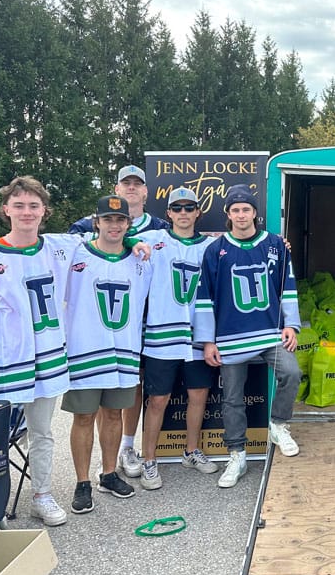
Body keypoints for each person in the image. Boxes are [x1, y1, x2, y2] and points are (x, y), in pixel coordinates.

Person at [0, 176, 77, 526]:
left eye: (34, 205)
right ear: (6, 209)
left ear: (44, 211)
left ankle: (41, 495)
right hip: (3, 364)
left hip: (47, 362)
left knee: (42, 433)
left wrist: (134, 241)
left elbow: (104, 235)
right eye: (19, 205)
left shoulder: (58, 247)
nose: (27, 212)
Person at [194, 184, 302, 488]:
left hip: (269, 332)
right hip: (230, 337)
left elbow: (287, 286)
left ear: (255, 213)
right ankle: (237, 455)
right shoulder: (215, 250)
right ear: (228, 214)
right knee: (232, 398)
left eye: (246, 209)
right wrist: (208, 341)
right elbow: (204, 296)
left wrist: (291, 325)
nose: (241, 215)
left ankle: (278, 424)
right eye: (235, 210)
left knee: (292, 372)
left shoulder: (276, 245)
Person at [69, 165, 168, 480]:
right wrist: (128, 242)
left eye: (137, 183)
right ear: (117, 187)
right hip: (105, 325)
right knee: (103, 392)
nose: (132, 187)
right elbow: (79, 246)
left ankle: (125, 446)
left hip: (145, 321)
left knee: (131, 387)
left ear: (146, 191)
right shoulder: (85, 227)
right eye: (126, 183)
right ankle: (107, 463)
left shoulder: (161, 225)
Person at [62, 195, 153, 513]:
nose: (114, 225)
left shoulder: (141, 260)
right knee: (84, 417)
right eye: (108, 219)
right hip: (85, 351)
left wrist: (133, 242)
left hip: (123, 352)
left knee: (114, 415)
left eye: (120, 220)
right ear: (96, 222)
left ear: (128, 224)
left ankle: (109, 473)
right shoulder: (76, 253)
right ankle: (82, 482)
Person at [137, 187, 218, 490]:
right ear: (169, 213)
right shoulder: (153, 240)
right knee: (158, 399)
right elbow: (117, 239)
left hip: (198, 334)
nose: (184, 213)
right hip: (162, 335)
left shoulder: (210, 246)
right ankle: (148, 459)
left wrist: (280, 244)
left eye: (189, 208)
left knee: (198, 395)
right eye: (178, 208)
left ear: (198, 212)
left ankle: (191, 451)